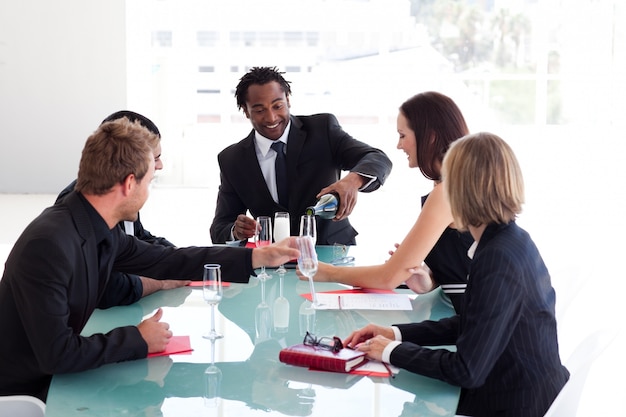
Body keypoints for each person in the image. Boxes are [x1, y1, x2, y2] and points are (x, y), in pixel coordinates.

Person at [0, 117, 299, 402]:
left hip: (61, 379)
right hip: (30, 393)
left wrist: (255, 257)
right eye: (149, 182)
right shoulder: (50, 244)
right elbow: (57, 353)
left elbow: (169, 260)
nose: (148, 192)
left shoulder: (93, 226)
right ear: (130, 184)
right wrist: (137, 339)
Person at [343, 132, 569, 416]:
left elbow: (466, 370)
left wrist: (390, 351)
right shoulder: (510, 240)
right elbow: (472, 323)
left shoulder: (496, 258)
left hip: (513, 402)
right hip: (523, 388)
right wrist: (395, 334)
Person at [299, 92, 474, 312]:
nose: (399, 145)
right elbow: (463, 265)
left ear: (429, 137)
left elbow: (388, 277)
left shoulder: (446, 192)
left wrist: (325, 272)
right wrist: (427, 279)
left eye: (402, 135)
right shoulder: (452, 184)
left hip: (473, 319)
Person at [209, 66, 392, 246]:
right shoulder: (232, 159)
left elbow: (377, 158)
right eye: (259, 110)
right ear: (245, 110)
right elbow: (219, 227)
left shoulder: (323, 130)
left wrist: (353, 181)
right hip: (273, 262)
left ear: (288, 100)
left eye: (277, 106)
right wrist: (235, 230)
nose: (271, 118)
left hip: (333, 253)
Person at [56, 110, 185, 307]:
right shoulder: (81, 209)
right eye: (156, 158)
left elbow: (138, 239)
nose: (160, 166)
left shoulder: (125, 194)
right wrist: (161, 282)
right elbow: (105, 288)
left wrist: (180, 258)